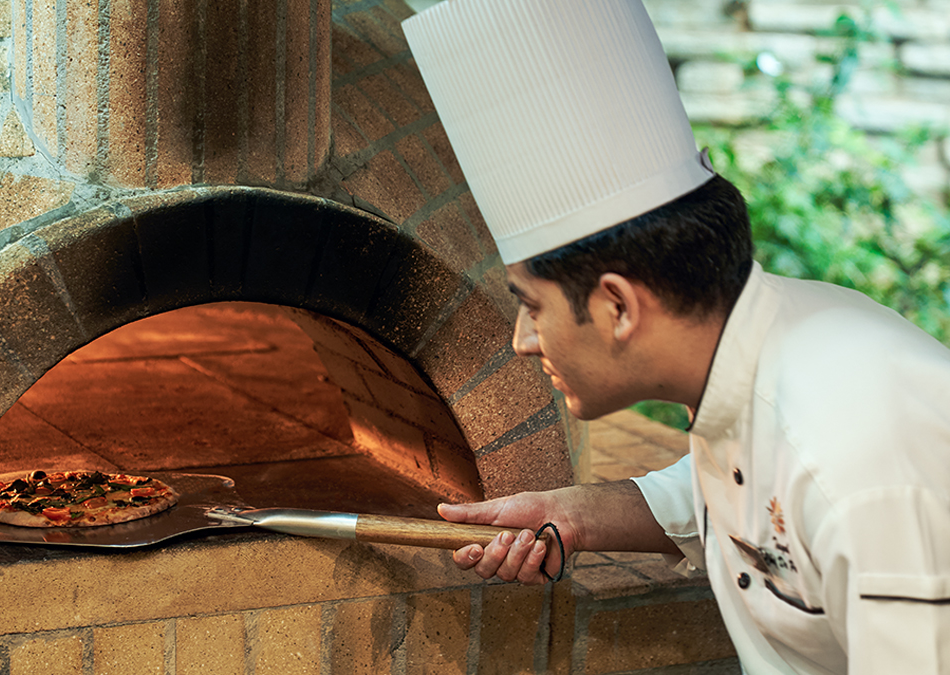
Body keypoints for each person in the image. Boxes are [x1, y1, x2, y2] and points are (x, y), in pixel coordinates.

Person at [402, 1, 950, 673]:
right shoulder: (762, 350)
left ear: (618, 307)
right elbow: (740, 483)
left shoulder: (859, 464)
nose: (522, 339)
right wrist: (577, 515)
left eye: (532, 306)